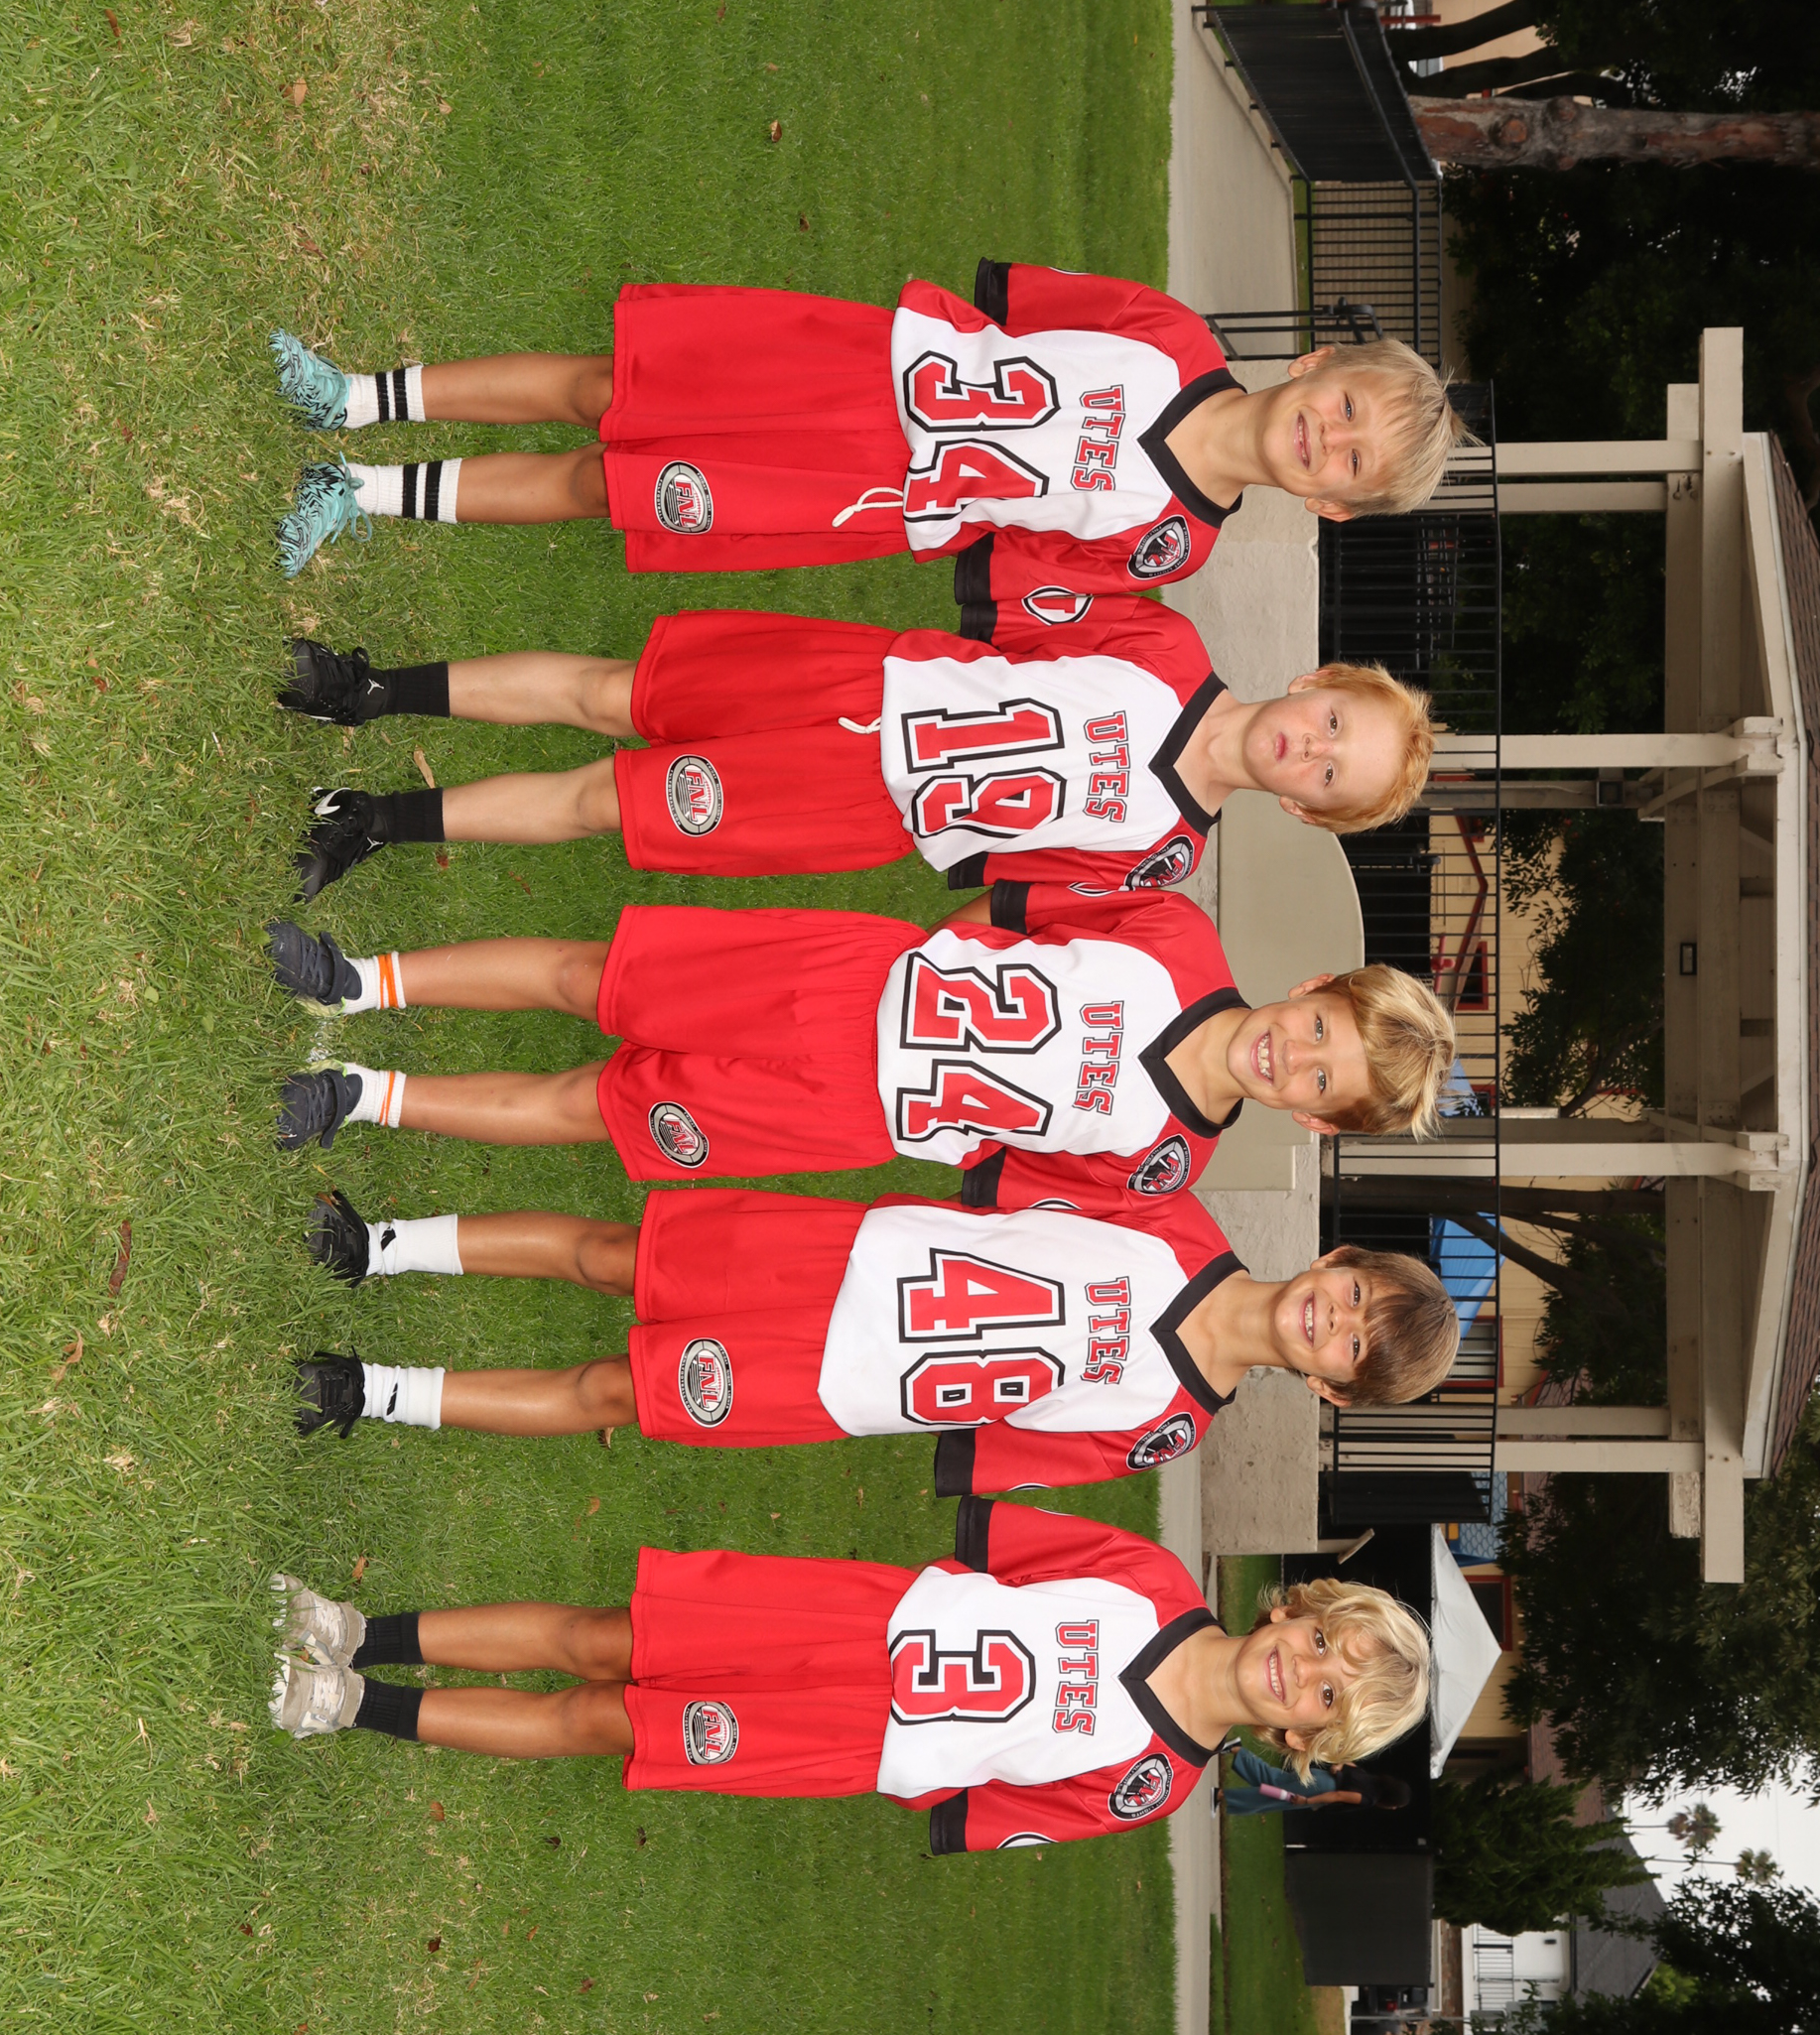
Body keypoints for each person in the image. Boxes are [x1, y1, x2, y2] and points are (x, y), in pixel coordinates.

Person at [263, 1498, 1433, 1854]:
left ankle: (350, 1702)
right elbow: (996, 1550)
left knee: (597, 1721)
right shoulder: (1148, 1577)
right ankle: (356, 1628)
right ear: (1296, 1608)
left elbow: (980, 1805)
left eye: (1327, 1699)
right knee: (598, 1637)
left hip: (851, 1738)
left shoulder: (1149, 1787)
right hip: (849, 1620)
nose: (1303, 1674)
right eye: (1323, 1644)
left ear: (1305, 1743)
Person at [269, 266, 1460, 588]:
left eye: (1351, 462)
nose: (1328, 435)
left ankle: (356, 495)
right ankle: (358, 396)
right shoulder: (1171, 334)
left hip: (861, 493)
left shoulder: (1171, 548)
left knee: (605, 487)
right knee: (608, 388)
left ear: (1330, 505)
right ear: (1316, 364)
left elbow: (1020, 557)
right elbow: (1012, 308)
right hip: (858, 372)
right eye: (1346, 407)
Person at [285, 1183, 1460, 1494]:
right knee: (610, 1253)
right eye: (1354, 1296)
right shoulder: (1174, 1212)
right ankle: (379, 1244)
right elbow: (1018, 1174)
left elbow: (995, 1451)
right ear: (1336, 1259)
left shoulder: (1168, 1426)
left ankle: (369, 1390)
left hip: (843, 1377)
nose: (1335, 1321)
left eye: (1352, 1350)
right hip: (849, 1255)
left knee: (609, 1390)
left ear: (1331, 1391)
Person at [263, 886, 1455, 1189]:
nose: (1290, 1054)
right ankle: (360, 981)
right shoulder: (1176, 934)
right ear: (1310, 984)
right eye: (1316, 1027)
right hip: (850, 980)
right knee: (595, 978)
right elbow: (1018, 901)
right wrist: (926, 970)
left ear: (1311, 1119)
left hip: (847, 1112)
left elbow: (1011, 1184)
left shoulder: (1163, 1164)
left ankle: (359, 1095)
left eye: (1318, 1079)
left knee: (597, 1105)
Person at [271, 610, 1432, 900]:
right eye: (1335, 722)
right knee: (610, 695)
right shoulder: (1163, 642)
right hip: (857, 684)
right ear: (1315, 681)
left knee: (602, 804)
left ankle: (374, 823)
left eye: (1331, 775)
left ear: (1303, 810)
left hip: (851, 808)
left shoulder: (1158, 854)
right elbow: (1015, 618)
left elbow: (1001, 891)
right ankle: (371, 691)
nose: (1311, 748)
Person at [1219, 1747, 1413, 1817]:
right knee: (1271, 1798)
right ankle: (1222, 1796)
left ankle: (1238, 1752)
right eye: (1395, 1805)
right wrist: (1307, 1802)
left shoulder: (1369, 1779)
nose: (1393, 1808)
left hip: (1320, 1776)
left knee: (1273, 1780)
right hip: (1320, 1789)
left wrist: (1338, 1766)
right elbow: (1338, 1795)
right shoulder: (1369, 1798)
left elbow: (1349, 1764)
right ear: (1391, 1799)